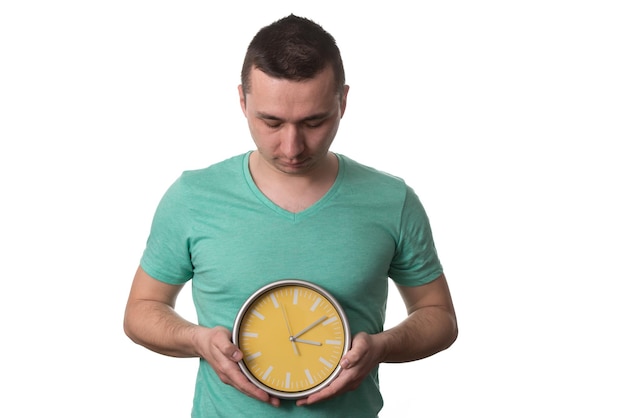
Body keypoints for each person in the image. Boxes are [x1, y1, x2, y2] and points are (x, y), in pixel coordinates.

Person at [124, 14, 458, 417]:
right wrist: (197, 340)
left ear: (343, 102)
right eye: (271, 121)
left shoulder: (392, 200)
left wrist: (382, 347)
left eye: (314, 121)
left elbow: (439, 317)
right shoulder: (193, 197)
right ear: (243, 101)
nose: (292, 146)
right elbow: (141, 309)